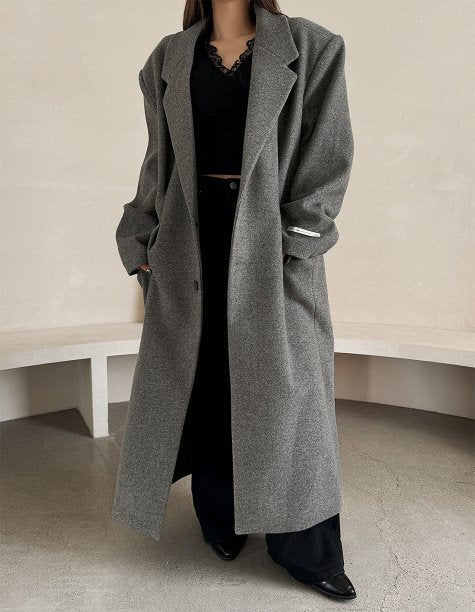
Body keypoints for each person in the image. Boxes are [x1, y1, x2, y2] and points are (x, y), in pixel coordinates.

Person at [114, 0, 356, 601]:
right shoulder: (169, 58)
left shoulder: (311, 46)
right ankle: (221, 518)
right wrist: (140, 239)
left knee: (289, 395)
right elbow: (158, 159)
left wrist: (299, 239)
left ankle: (306, 548)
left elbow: (329, 153)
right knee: (209, 383)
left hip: (269, 242)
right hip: (189, 239)